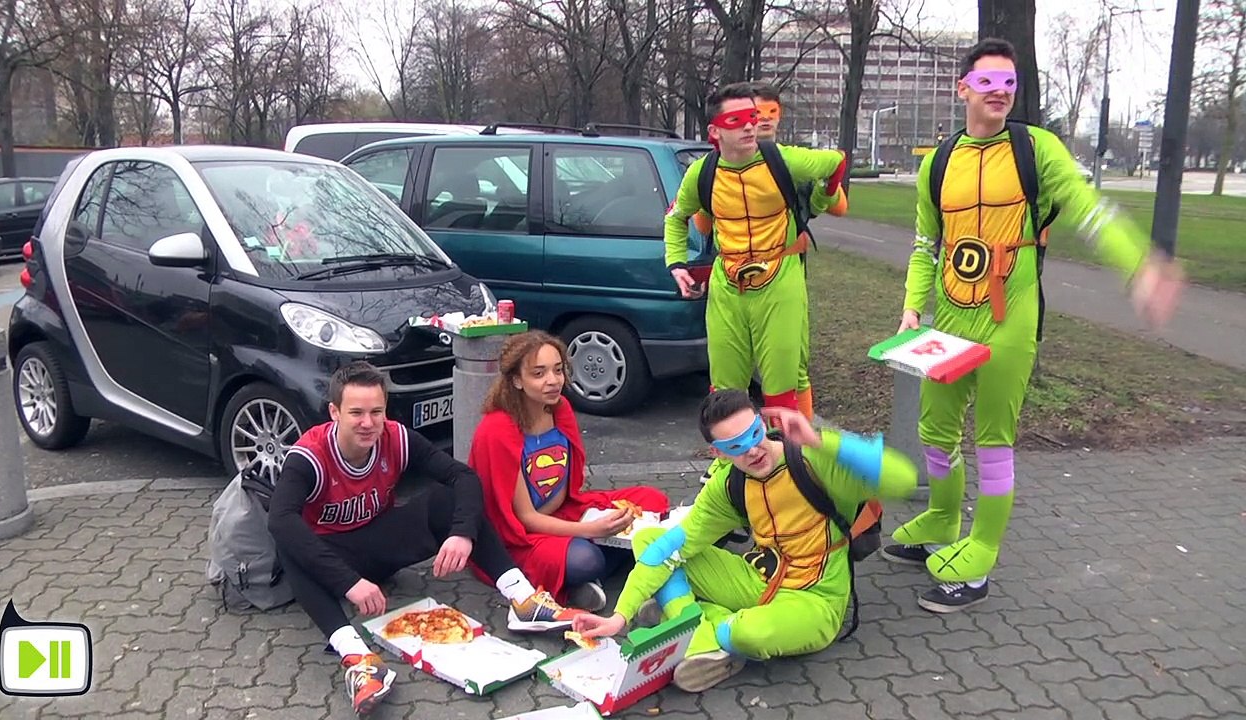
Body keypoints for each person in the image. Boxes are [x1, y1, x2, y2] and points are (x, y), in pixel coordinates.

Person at [881, 37, 1185, 613]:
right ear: (962, 88)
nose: (1000, 92)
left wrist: (1138, 263)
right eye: (988, 82)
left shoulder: (1035, 148)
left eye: (1009, 83)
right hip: (950, 317)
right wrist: (912, 306)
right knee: (933, 432)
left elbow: (1088, 204)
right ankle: (943, 518)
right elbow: (926, 243)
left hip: (1008, 319)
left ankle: (980, 556)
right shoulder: (938, 162)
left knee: (993, 440)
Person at [267, 361, 586, 716]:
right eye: (356, 412)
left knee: (447, 499)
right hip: (331, 560)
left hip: (378, 542)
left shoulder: (396, 437)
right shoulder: (309, 456)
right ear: (334, 412)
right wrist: (349, 583)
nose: (368, 423)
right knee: (287, 543)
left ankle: (523, 600)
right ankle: (358, 659)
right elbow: (280, 520)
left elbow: (462, 476)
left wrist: (463, 533)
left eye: (376, 412)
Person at [571, 389, 919, 692]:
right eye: (736, 446)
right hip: (756, 582)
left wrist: (819, 440)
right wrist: (619, 618)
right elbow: (671, 546)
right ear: (718, 453)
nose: (753, 450)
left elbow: (902, 480)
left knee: (751, 634)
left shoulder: (814, 461)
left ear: (761, 423)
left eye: (754, 434)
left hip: (815, 600)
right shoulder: (729, 485)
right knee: (649, 539)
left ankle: (690, 627)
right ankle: (697, 631)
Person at [666, 81, 846, 419]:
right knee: (725, 391)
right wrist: (676, 263)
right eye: (736, 120)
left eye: (753, 116)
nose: (750, 125)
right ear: (715, 130)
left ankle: (791, 463)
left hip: (780, 277)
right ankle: (727, 467)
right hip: (727, 284)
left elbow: (836, 162)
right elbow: (675, 218)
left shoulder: (785, 160)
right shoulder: (701, 173)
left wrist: (821, 199)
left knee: (782, 386)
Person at [468, 330, 669, 612]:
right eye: (538, 374)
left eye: (558, 370)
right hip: (519, 535)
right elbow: (525, 519)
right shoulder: (497, 430)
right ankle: (600, 569)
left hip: (563, 511)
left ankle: (583, 580)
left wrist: (591, 523)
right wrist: (589, 529)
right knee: (586, 560)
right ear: (516, 380)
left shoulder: (560, 408)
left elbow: (565, 493)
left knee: (653, 501)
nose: (552, 381)